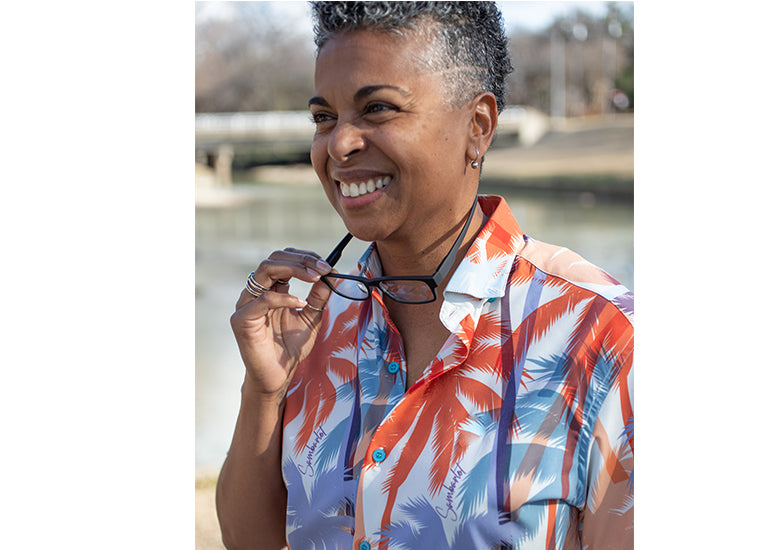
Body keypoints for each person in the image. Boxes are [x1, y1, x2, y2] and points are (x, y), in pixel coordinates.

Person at [216, 2, 634, 549]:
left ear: (478, 127)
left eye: (378, 109)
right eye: (324, 117)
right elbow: (251, 540)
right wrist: (263, 391)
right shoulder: (311, 325)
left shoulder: (602, 337)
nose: (339, 143)